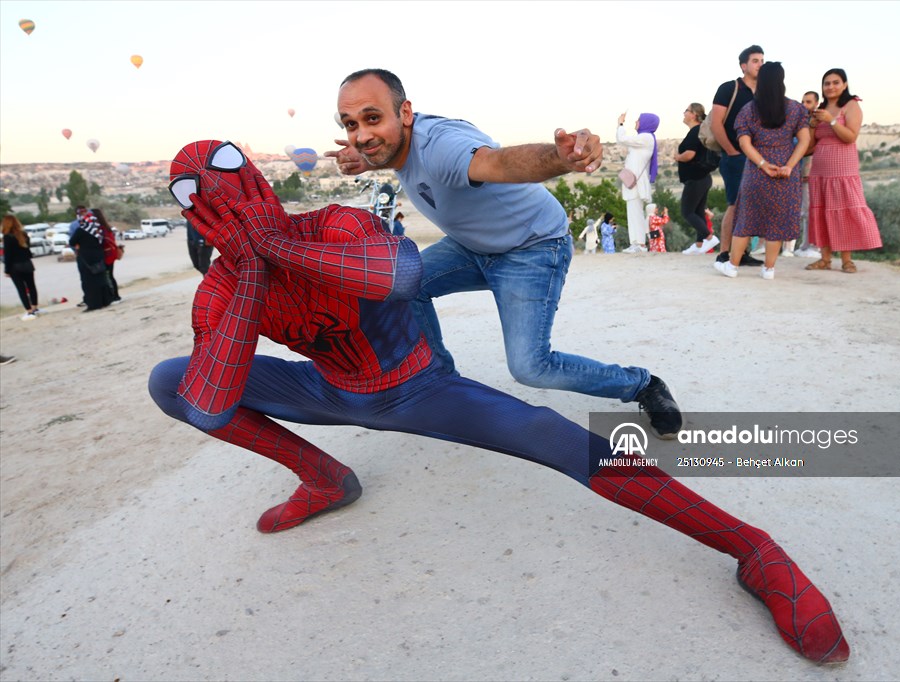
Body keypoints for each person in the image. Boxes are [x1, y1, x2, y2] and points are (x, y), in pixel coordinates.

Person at [150, 139, 849, 665]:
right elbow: (208, 404)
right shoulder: (222, 288)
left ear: (258, 184)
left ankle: (753, 548)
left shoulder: (329, 225)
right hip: (333, 390)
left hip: (420, 388)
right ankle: (325, 477)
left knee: (556, 437)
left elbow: (397, 276)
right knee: (167, 380)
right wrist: (247, 273)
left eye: (229, 180)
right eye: (206, 205)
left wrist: (270, 244)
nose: (231, 211)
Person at [328, 69, 682, 439]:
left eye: (372, 118)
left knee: (531, 367)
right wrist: (365, 158)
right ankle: (439, 385)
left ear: (405, 113)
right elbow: (386, 150)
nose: (361, 135)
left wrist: (561, 159)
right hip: (472, 245)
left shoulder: (439, 145)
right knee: (404, 285)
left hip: (532, 247)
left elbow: (499, 163)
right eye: (352, 125)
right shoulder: (395, 143)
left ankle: (642, 384)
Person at [714, 62, 809, 280]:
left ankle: (733, 266)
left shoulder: (749, 110)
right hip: (786, 171)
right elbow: (805, 140)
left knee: (745, 219)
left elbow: (745, 143)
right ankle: (769, 269)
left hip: (757, 171)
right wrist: (790, 165)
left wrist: (763, 164)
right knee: (776, 221)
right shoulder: (795, 109)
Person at [805, 68, 882, 274]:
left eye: (835, 82)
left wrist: (830, 120)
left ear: (845, 84)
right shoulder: (821, 108)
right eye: (827, 83)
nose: (830, 87)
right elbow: (810, 147)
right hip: (820, 169)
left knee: (844, 211)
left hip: (842, 170)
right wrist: (812, 125)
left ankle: (847, 260)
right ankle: (825, 258)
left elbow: (850, 136)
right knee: (822, 211)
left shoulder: (851, 106)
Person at [711, 45, 765, 268]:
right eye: (755, 61)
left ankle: (741, 252)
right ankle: (725, 252)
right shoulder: (729, 89)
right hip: (734, 157)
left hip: (758, 158)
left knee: (751, 206)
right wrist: (731, 151)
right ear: (744, 66)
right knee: (735, 204)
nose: (760, 64)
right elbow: (716, 123)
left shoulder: (765, 92)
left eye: (762, 60)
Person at [675, 103, 719, 255]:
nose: (684, 113)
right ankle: (699, 244)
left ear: (693, 114)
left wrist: (678, 157)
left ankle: (709, 236)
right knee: (698, 212)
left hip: (696, 178)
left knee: (687, 212)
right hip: (703, 178)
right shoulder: (699, 130)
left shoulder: (695, 131)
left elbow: (690, 154)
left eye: (686, 110)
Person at [616, 111, 660, 253]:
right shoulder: (644, 138)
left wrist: (621, 123)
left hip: (636, 183)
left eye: (639, 120)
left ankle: (639, 244)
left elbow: (622, 139)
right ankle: (636, 243)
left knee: (635, 212)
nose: (636, 122)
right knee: (633, 212)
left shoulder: (646, 137)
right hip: (634, 182)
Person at [69, 207, 114, 311]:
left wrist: (78, 246)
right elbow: (101, 242)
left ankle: (93, 304)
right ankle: (105, 300)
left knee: (88, 282)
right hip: (99, 256)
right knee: (101, 279)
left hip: (85, 259)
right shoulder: (98, 230)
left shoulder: (81, 230)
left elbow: (72, 242)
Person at [794, 91, 822, 258]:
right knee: (804, 209)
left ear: (816, 103)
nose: (805, 105)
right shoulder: (802, 121)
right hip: (803, 168)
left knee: (812, 208)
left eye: (809, 102)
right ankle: (805, 243)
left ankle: (815, 244)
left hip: (813, 167)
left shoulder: (816, 122)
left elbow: (811, 146)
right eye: (803, 101)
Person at [2, 215, 41, 320]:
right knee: (32, 287)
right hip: (27, 264)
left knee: (21, 289)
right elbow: (28, 251)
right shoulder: (24, 234)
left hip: (15, 266)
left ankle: (29, 311)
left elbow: (8, 255)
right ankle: (35, 308)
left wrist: (6, 270)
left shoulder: (7, 237)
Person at [92, 208, 122, 303]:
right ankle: (114, 295)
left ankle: (114, 295)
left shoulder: (100, 229)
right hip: (111, 254)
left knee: (108, 276)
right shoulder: (107, 227)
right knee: (110, 275)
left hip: (106, 254)